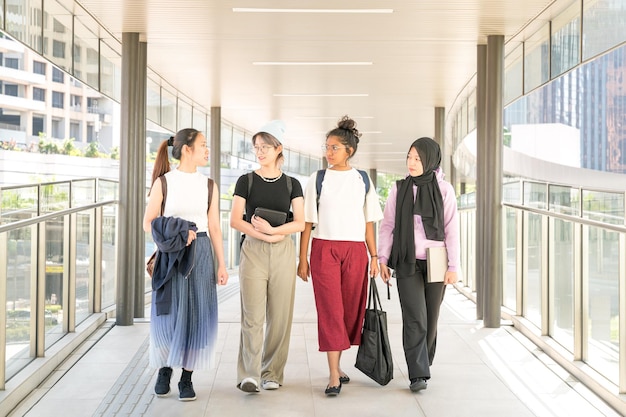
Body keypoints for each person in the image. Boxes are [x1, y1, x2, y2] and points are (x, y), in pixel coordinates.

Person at [297, 115, 383, 396]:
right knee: (330, 310)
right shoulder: (317, 179)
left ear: (350, 151)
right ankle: (333, 374)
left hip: (356, 251)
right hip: (324, 250)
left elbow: (369, 222)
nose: (328, 152)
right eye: (327, 147)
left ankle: (339, 365)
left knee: (349, 312)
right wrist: (303, 258)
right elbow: (307, 223)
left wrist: (374, 256)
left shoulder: (362, 179)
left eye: (334, 147)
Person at [143, 128, 229, 401]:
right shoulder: (164, 182)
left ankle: (187, 378)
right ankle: (165, 370)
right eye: (203, 145)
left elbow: (214, 226)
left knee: (197, 312)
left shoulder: (209, 185)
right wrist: (179, 230)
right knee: (170, 312)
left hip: (201, 252)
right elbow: (149, 222)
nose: (207, 150)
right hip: (171, 255)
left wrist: (222, 264)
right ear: (186, 149)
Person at [378, 137, 459, 393]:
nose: (412, 163)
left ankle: (424, 363)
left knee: (430, 319)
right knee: (415, 318)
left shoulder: (444, 190)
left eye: (418, 158)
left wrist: (454, 266)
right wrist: (383, 258)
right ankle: (418, 373)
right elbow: (388, 225)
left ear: (430, 160)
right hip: (406, 260)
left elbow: (451, 229)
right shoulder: (399, 189)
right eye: (409, 157)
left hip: (436, 259)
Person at [229, 120, 305, 393]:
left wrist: (274, 232)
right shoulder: (246, 180)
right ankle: (248, 374)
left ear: (278, 148)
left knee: (280, 316)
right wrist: (263, 234)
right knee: (252, 315)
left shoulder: (292, 184)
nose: (259, 152)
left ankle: (271, 372)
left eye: (265, 147)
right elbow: (235, 220)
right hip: (253, 250)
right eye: (256, 147)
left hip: (283, 250)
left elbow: (300, 222)